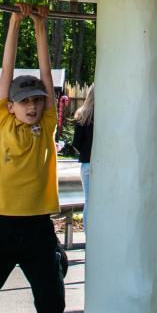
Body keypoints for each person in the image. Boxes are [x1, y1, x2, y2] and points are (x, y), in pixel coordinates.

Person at [0, 4, 67, 313]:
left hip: (37, 230)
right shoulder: (3, 121)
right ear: (11, 106)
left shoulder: (46, 124)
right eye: (25, 101)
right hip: (0, 230)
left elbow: (47, 76)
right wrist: (14, 25)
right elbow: (6, 73)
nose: (32, 106)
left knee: (51, 312)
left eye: (37, 100)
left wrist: (41, 29)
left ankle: (54, 258)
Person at [72, 85, 94, 233]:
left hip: (86, 162)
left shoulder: (83, 115)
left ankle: (89, 237)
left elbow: (76, 143)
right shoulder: (107, 115)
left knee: (89, 201)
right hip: (104, 164)